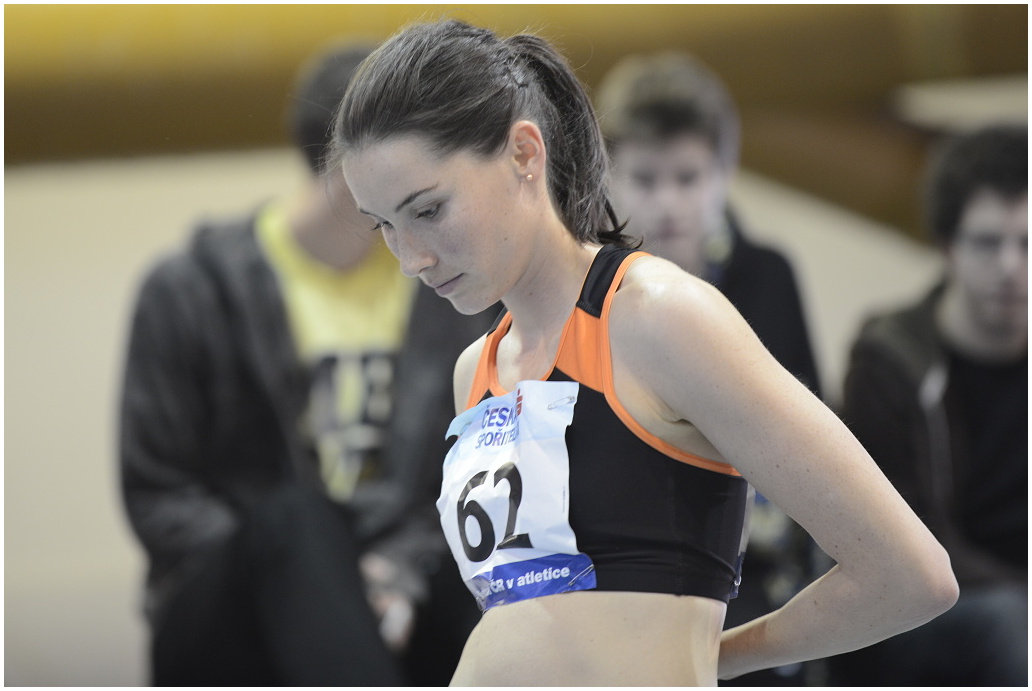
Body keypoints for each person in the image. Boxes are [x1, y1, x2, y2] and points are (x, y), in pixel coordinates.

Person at [330, 18, 958, 686]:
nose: (411, 259)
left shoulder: (659, 317)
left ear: (523, 153)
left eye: (428, 210)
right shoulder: (476, 371)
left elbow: (908, 574)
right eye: (384, 226)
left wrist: (710, 660)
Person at [118, 41, 494, 686]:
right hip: (234, 595)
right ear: (355, 167)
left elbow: (477, 467)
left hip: (410, 570)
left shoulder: (448, 282)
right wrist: (329, 580)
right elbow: (160, 494)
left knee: (504, 577)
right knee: (298, 521)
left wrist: (396, 567)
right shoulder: (191, 289)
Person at [595, 52, 822, 686]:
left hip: (758, 560)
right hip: (631, 566)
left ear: (725, 172)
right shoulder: (589, 291)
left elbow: (809, 425)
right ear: (607, 177)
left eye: (688, 177)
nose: (668, 201)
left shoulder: (769, 276)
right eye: (646, 178)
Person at [826, 124, 1027, 686]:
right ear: (947, 247)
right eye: (988, 243)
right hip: (922, 605)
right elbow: (910, 547)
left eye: (1027, 243)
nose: (1011, 265)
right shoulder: (890, 362)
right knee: (1010, 621)